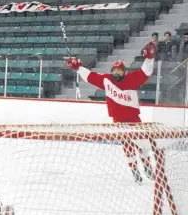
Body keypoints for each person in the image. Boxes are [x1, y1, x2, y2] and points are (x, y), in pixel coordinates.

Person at [66, 42, 156, 184]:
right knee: (128, 147)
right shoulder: (106, 80)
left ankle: (147, 167)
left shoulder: (132, 79)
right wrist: (78, 68)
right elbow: (90, 76)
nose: (116, 72)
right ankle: (134, 170)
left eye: (119, 70)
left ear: (124, 71)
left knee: (143, 144)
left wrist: (150, 58)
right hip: (118, 121)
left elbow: (146, 72)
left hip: (133, 118)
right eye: (114, 70)